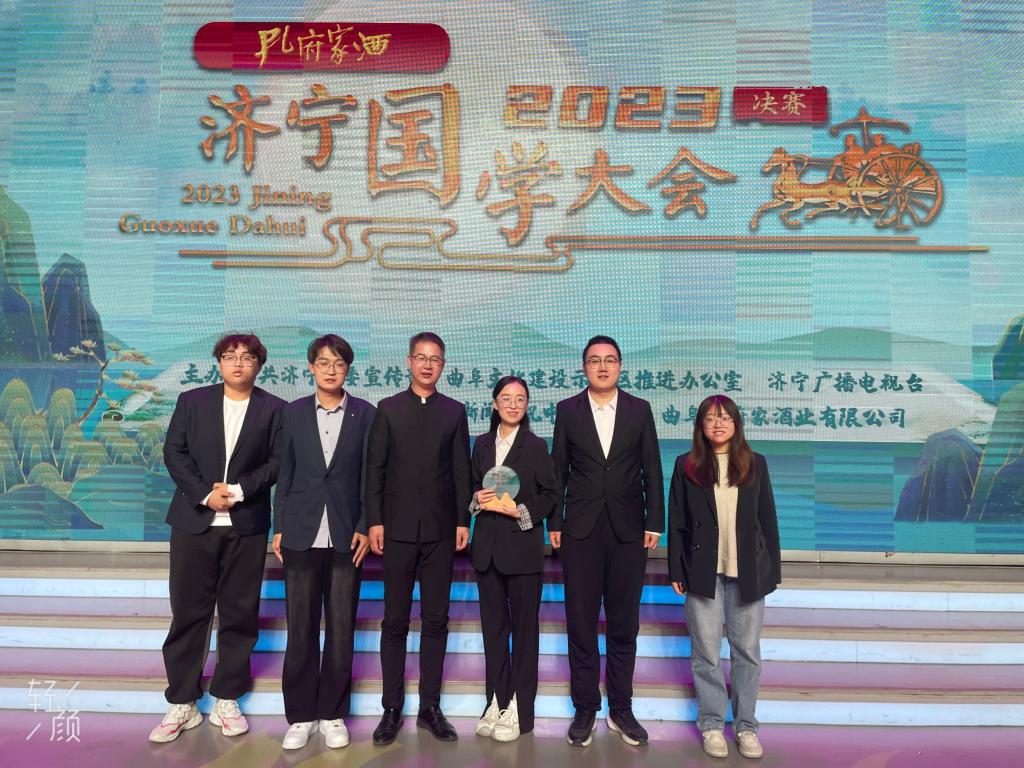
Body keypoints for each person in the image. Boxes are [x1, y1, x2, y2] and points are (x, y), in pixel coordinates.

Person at [150, 333, 284, 743]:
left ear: (259, 365)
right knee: (188, 613)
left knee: (239, 614)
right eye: (230, 356)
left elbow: (278, 461)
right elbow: (174, 452)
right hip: (194, 522)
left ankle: (227, 697)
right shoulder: (193, 401)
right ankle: (182, 701)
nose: (238, 363)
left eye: (247, 357)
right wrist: (205, 494)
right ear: (219, 362)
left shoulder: (274, 409)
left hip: (246, 525)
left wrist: (240, 491)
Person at [549, 335, 664, 747]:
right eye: (594, 361)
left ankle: (621, 708)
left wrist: (655, 521)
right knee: (580, 622)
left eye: (610, 360)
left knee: (623, 623)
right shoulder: (567, 410)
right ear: (584, 367)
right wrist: (554, 522)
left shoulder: (639, 410)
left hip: (628, 530)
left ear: (620, 366)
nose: (602, 367)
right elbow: (558, 470)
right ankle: (585, 709)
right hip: (579, 531)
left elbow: (652, 467)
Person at [364, 332, 472, 745]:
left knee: (435, 620)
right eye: (421, 358)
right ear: (409, 361)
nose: (428, 365)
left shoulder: (454, 412)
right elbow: (375, 470)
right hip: (397, 531)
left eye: (435, 359)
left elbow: (461, 471)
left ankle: (430, 708)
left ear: (443, 365)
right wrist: (375, 521)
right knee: (394, 620)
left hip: (441, 532)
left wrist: (463, 520)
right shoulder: (388, 409)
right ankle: (391, 708)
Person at [272, 334, 375, 750]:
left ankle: (332, 712)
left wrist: (365, 524)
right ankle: (300, 715)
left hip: (348, 534)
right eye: (324, 363)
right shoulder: (293, 412)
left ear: (348, 370)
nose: (332, 370)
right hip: (301, 530)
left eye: (339, 364)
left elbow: (371, 476)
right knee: (300, 628)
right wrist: (279, 525)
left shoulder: (366, 414)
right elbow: (286, 473)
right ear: (311, 367)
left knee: (341, 626)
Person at [667, 395, 782, 760]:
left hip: (748, 572)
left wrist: (772, 570)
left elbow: (767, 518)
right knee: (706, 653)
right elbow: (677, 520)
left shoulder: (755, 463)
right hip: (702, 573)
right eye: (710, 419)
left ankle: (746, 727)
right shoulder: (686, 465)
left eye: (725, 418)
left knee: (747, 652)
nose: (718, 424)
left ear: (736, 423)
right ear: (700, 426)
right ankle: (712, 724)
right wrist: (676, 569)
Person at [469, 376, 558, 742]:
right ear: (494, 404)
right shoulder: (481, 444)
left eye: (520, 399)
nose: (513, 404)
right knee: (493, 632)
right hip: (486, 552)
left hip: (522, 551)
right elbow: (471, 491)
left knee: (523, 634)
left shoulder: (536, 446)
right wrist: (476, 500)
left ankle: (521, 709)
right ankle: (497, 699)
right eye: (506, 398)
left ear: (527, 405)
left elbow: (550, 494)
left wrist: (518, 511)